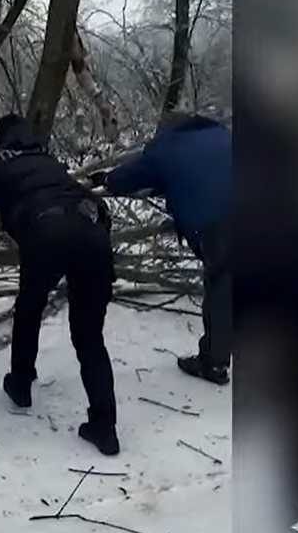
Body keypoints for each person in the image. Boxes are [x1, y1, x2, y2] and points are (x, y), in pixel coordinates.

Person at [0, 114, 121, 456]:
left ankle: (21, 383)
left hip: (46, 233)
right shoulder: (49, 162)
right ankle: (105, 427)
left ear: (2, 139)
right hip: (91, 235)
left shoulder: (1, 161)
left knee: (30, 308)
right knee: (90, 337)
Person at [90, 111, 232, 385]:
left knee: (222, 286)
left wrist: (107, 179)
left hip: (220, 224)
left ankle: (213, 362)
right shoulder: (221, 136)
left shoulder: (166, 147)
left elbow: (130, 177)